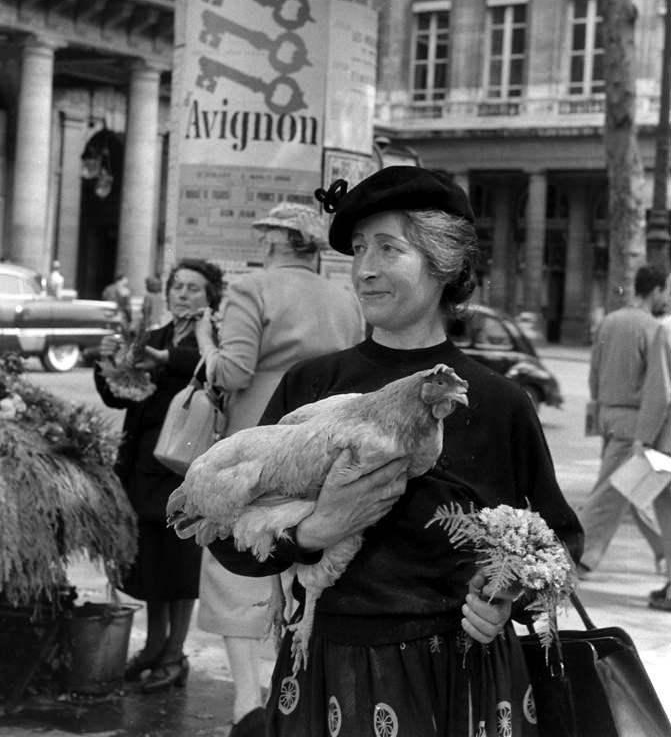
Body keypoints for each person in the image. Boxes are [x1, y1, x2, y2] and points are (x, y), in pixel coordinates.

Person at [206, 166, 582, 737]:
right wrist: (312, 532)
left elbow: (558, 540)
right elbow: (231, 540)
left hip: (462, 678)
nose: (364, 270)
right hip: (330, 670)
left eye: (389, 248)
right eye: (358, 249)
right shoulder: (313, 385)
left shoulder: (497, 401)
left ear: (442, 263)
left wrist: (507, 593)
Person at [194, 203, 364, 737]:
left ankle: (247, 701)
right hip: (327, 450)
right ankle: (290, 693)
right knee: (302, 569)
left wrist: (204, 344)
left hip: (257, 448)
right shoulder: (345, 296)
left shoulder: (253, 288)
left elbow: (236, 369)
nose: (260, 240)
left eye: (264, 232)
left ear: (277, 240)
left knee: (235, 569)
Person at [94, 257, 225, 693]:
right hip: (145, 463)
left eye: (193, 288)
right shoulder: (151, 337)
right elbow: (121, 398)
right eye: (178, 287)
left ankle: (174, 653)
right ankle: (153, 646)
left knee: (180, 561)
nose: (183, 294)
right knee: (152, 561)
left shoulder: (214, 340)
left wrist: (166, 360)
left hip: (188, 466)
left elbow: (213, 373)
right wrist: (106, 366)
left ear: (210, 297)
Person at [578, 263, 668, 576]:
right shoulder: (653, 328)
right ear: (656, 290)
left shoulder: (609, 321)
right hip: (635, 422)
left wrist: (597, 410)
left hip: (608, 415)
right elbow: (658, 384)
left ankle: (662, 551)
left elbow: (594, 371)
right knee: (613, 492)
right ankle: (580, 554)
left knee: (636, 491)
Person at [635, 314, 671, 610]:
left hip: (667, 442)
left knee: (668, 513)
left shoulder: (666, 328)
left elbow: (660, 391)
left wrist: (644, 437)